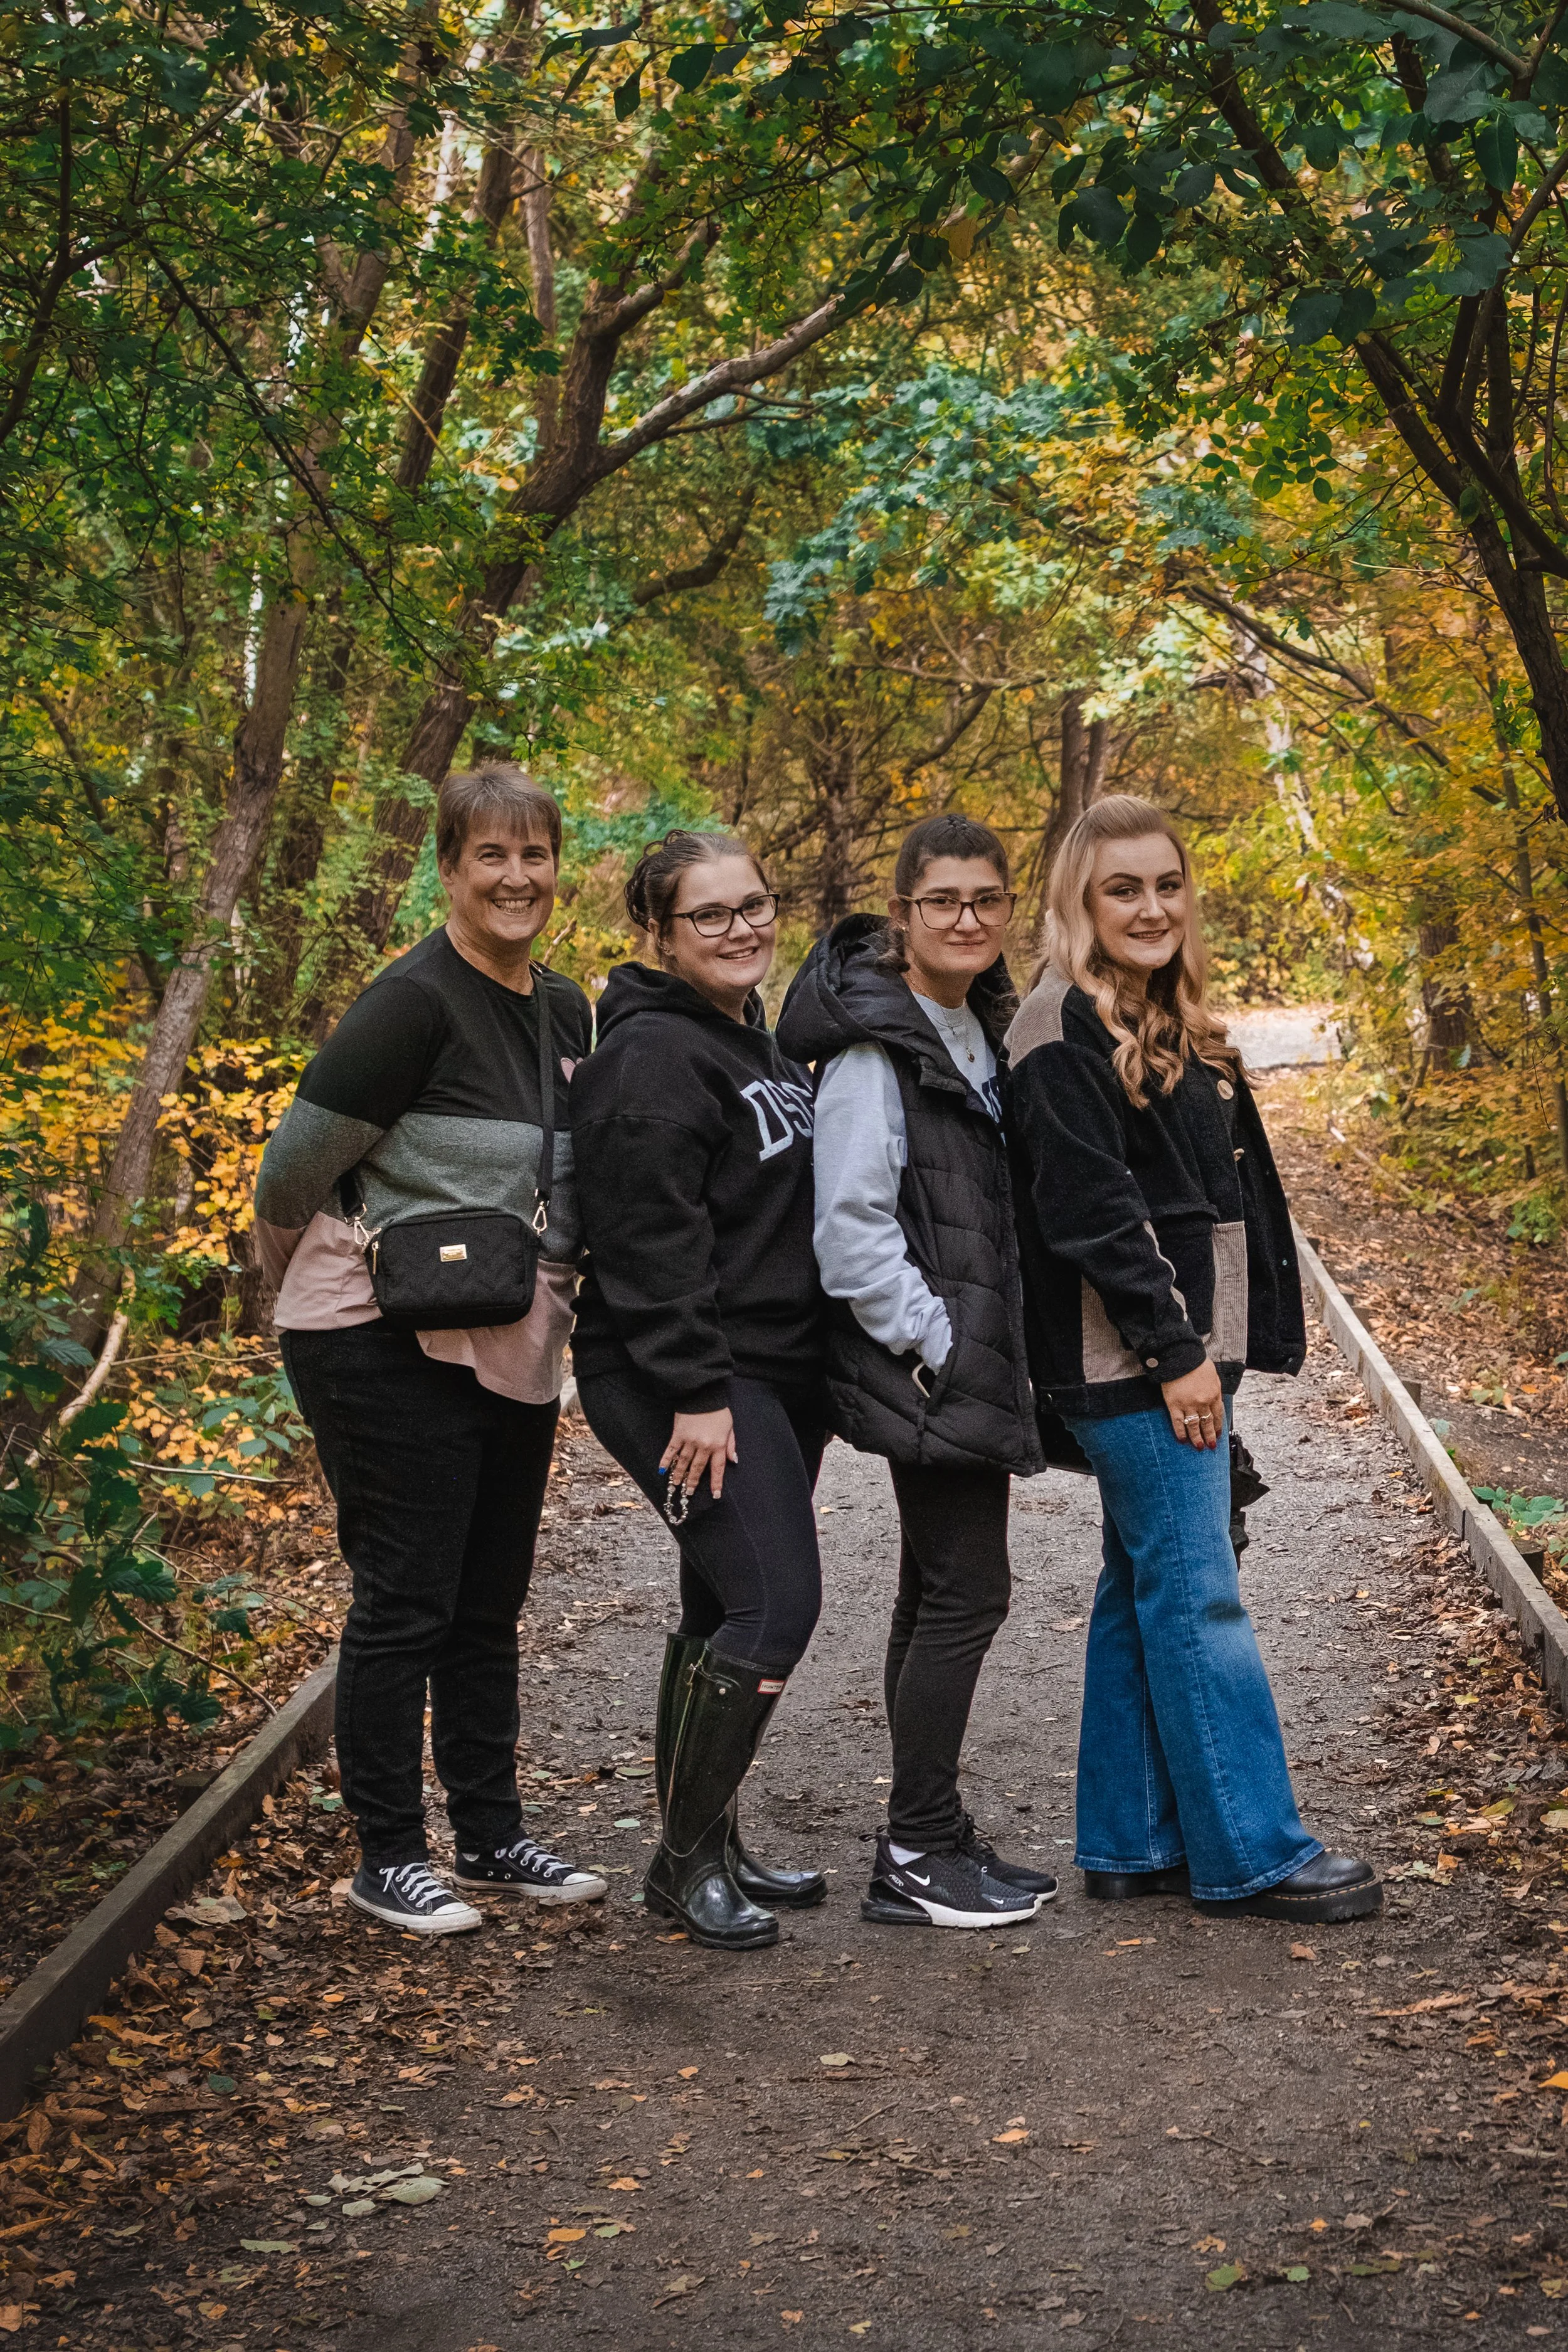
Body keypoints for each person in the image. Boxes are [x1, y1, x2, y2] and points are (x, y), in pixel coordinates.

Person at [1006, 793, 1380, 1924]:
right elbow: (1091, 1212)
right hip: (1133, 1357)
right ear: (1079, 900)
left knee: (1146, 1583)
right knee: (1200, 1593)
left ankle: (1131, 1841)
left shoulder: (1161, 1017)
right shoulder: (1058, 1026)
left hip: (1176, 1348)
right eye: (1123, 887)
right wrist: (1177, 1353)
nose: (1151, 905)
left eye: (1167, 884)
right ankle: (1251, 1852)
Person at [253, 763, 607, 1936]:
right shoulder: (409, 1002)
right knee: (406, 1596)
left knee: (487, 1597)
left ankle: (494, 1834)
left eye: (535, 854)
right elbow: (289, 1177)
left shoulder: (569, 1008)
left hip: (508, 1332)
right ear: (448, 868)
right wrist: (297, 1288)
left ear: (558, 866)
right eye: (490, 856)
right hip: (374, 1335)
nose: (517, 877)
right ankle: (388, 1855)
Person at [777, 813, 1056, 1931]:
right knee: (969, 1593)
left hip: (960, 1357)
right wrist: (942, 1345)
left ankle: (925, 1832)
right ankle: (917, 1849)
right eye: (942, 900)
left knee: (932, 1591)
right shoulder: (871, 1049)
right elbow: (849, 1233)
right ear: (901, 915)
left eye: (987, 899)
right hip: (931, 1364)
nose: (968, 919)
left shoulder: (972, 1022)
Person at [569, 830, 827, 1952]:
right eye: (712, 915)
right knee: (776, 1604)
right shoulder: (651, 1060)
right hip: (685, 1380)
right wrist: (696, 1387)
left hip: (765, 1373)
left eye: (756, 905)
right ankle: (680, 1863)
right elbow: (643, 1240)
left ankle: (709, 1840)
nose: (743, 929)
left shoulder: (746, 1038)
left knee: (722, 1603)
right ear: (661, 934)